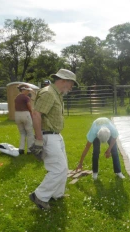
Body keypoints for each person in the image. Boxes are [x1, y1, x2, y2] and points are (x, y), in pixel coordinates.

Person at [29, 69, 79, 210]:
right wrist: (39, 139)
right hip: (48, 136)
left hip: (55, 135)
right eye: (71, 84)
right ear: (64, 81)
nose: (72, 87)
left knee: (63, 168)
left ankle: (57, 194)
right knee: (58, 169)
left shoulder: (56, 94)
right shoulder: (48, 93)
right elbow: (36, 115)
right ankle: (39, 196)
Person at [14, 84, 35, 154]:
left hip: (17, 114)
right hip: (25, 114)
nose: (28, 92)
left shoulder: (17, 97)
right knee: (30, 133)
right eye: (27, 90)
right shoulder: (26, 98)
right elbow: (29, 107)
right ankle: (30, 150)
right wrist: (32, 114)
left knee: (22, 133)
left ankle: (21, 149)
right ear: (23, 90)